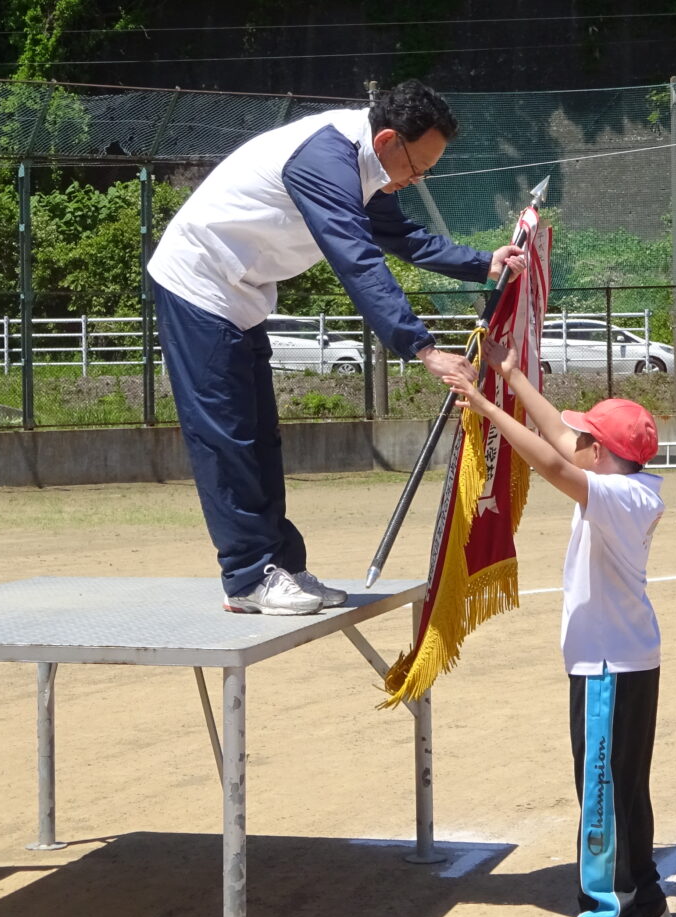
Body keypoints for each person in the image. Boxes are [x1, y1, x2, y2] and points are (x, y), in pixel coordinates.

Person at [148, 80, 525, 616]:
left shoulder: (371, 164)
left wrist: (480, 263)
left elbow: (400, 235)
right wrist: (421, 347)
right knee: (227, 437)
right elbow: (357, 258)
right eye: (417, 168)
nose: (417, 180)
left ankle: (282, 565)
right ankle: (248, 578)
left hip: (242, 295)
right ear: (389, 139)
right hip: (199, 286)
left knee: (260, 435)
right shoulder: (326, 159)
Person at [444, 339, 668, 917]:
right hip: (628, 660)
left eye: (587, 437)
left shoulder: (616, 496)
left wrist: (486, 408)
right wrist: (511, 377)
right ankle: (646, 898)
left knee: (601, 791)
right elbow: (559, 440)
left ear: (603, 452)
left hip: (606, 668)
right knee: (627, 789)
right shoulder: (630, 482)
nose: (577, 441)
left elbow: (551, 463)